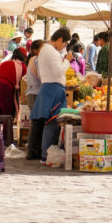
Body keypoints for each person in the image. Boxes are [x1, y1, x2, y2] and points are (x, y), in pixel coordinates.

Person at [30, 27, 72, 163]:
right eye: (64, 44)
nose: (64, 47)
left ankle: (45, 154)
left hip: (47, 87)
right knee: (52, 123)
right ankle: (46, 155)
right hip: (53, 88)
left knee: (49, 122)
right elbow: (59, 71)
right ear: (60, 40)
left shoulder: (44, 50)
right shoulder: (52, 52)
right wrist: (67, 60)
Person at [0, 47, 27, 118]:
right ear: (24, 57)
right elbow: (24, 84)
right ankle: (6, 129)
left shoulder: (5, 63)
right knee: (7, 116)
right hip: (3, 88)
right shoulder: (22, 66)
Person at [25, 40, 45, 161]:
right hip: (35, 94)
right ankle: (32, 151)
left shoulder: (33, 60)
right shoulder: (37, 60)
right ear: (35, 50)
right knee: (37, 123)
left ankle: (34, 150)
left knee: (38, 123)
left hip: (33, 94)